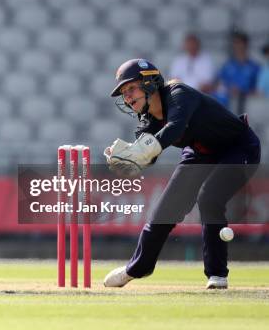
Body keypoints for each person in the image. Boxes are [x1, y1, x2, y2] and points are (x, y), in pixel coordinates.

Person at [103, 58, 261, 289]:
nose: (127, 97)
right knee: (166, 210)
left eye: (131, 88)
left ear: (149, 83)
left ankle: (217, 275)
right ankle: (136, 268)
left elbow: (175, 127)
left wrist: (142, 150)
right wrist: (127, 160)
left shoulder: (179, 94)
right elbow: (150, 156)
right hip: (200, 152)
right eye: (124, 93)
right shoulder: (147, 121)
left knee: (209, 197)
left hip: (238, 147)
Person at [214, 31, 260, 113]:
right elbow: (218, 83)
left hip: (245, 101)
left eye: (239, 43)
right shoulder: (227, 65)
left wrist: (242, 92)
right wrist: (228, 89)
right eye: (235, 43)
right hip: (227, 101)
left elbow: (258, 89)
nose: (237, 46)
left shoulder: (254, 67)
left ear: (246, 44)